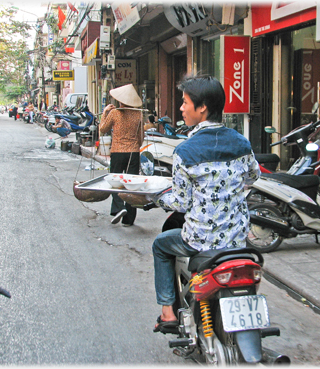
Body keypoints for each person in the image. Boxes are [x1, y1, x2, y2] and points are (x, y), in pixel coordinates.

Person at [148, 75, 261, 332]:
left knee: (160, 246)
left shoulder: (186, 151)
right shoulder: (242, 142)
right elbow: (253, 176)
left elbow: (180, 201)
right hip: (237, 240)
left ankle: (168, 314)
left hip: (200, 240)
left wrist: (157, 197)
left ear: (202, 108)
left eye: (185, 102)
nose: (181, 108)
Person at [99, 84, 144, 227]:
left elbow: (102, 129)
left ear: (120, 100)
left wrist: (104, 112)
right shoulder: (138, 114)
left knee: (116, 182)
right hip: (133, 153)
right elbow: (140, 137)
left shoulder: (114, 113)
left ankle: (119, 208)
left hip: (117, 152)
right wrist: (135, 145)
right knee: (131, 185)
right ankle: (129, 219)